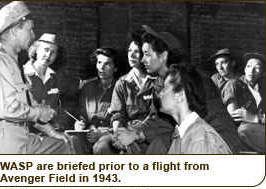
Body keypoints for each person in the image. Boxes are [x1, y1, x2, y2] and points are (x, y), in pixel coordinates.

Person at [0, 1, 74, 154]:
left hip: (21, 135)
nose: (33, 36)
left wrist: (50, 131)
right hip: (4, 139)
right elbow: (7, 109)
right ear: (15, 31)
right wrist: (39, 112)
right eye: (30, 30)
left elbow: (27, 102)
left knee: (63, 144)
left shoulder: (12, 60)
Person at [111, 25, 186, 154]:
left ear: (163, 56)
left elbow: (174, 121)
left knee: (159, 142)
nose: (142, 59)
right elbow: (154, 116)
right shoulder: (159, 82)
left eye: (146, 54)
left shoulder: (185, 79)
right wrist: (130, 134)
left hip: (207, 142)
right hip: (163, 132)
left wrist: (136, 134)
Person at [93, 30, 156, 154]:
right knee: (101, 146)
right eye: (129, 51)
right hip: (126, 130)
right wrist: (118, 134)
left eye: (136, 52)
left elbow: (157, 118)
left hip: (148, 133)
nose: (131, 55)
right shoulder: (122, 83)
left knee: (132, 149)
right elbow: (117, 115)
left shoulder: (156, 81)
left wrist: (134, 134)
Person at [159, 64, 232, 154]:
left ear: (180, 95)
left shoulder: (199, 138)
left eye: (164, 89)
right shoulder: (181, 134)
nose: (160, 94)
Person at [74, 47, 121, 153]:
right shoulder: (87, 88)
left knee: (101, 146)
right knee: (72, 139)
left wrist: (104, 134)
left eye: (107, 64)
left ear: (115, 68)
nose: (101, 68)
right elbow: (83, 114)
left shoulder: (121, 88)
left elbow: (124, 123)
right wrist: (80, 122)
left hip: (110, 136)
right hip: (89, 134)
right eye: (99, 62)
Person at [222, 53, 265, 153]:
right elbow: (235, 116)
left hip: (257, 135)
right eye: (249, 66)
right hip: (241, 135)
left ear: (264, 73)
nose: (252, 70)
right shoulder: (234, 84)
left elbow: (254, 118)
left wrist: (255, 118)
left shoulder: (262, 90)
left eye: (257, 67)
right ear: (245, 69)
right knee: (245, 129)